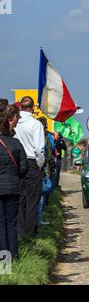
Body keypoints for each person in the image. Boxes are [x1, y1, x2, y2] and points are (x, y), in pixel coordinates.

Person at [14, 96, 45, 236]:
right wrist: (39, 165)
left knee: (19, 200)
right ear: (33, 108)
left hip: (16, 162)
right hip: (32, 162)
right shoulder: (35, 124)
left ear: (20, 107)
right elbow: (39, 149)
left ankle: (20, 233)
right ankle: (30, 233)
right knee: (32, 201)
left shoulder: (15, 123)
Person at [0, 112, 28, 258]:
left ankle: (5, 263)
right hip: (13, 186)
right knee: (11, 224)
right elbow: (24, 167)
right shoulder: (16, 143)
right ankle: (15, 257)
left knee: (1, 225)